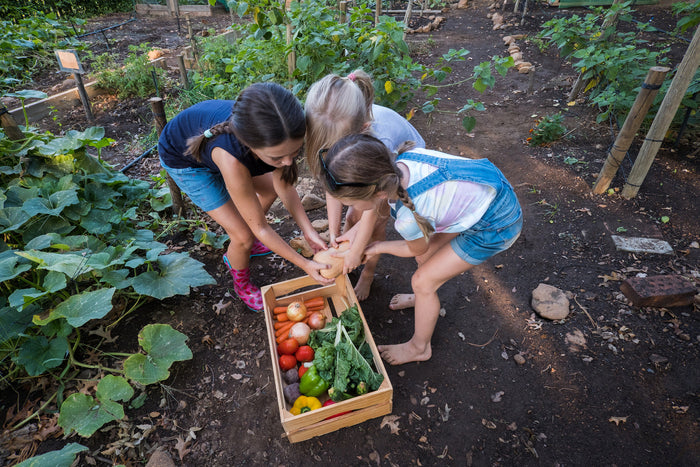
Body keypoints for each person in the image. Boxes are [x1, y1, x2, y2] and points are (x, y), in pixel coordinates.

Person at [318, 134, 522, 365]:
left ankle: (419, 347)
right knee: (427, 258)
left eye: (352, 204)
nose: (351, 209)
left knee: (422, 281)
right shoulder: (398, 166)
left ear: (378, 193)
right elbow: (375, 209)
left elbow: (413, 248)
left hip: (494, 224)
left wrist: (376, 247)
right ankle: (423, 299)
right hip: (485, 191)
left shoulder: (408, 217)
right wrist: (352, 237)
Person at [159, 83, 333, 312]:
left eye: (295, 152)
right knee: (242, 236)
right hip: (184, 160)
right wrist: (305, 264)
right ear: (251, 146)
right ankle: (241, 282)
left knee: (269, 191)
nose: (289, 162)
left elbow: (284, 188)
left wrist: (309, 232)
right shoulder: (233, 159)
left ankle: (245, 242)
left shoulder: (279, 135)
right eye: (278, 157)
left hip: (217, 151)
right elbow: (262, 228)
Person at [304, 69, 426, 300]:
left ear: (362, 130)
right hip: (368, 171)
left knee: (374, 225)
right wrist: (334, 231)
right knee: (352, 218)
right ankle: (347, 258)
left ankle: (367, 273)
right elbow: (332, 183)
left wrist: (359, 248)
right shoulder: (334, 129)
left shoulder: (381, 141)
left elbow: (374, 210)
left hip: (398, 171)